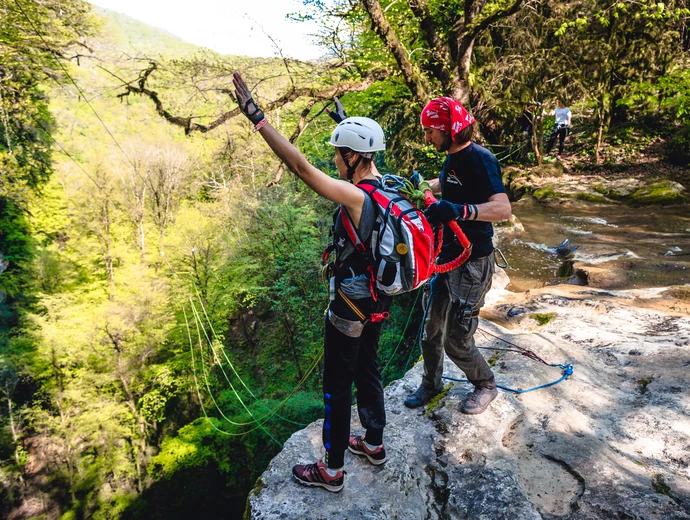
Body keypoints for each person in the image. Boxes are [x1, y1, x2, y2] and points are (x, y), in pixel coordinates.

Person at [233, 73, 391, 493]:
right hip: (378, 300)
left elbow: (300, 166)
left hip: (349, 306)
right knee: (369, 370)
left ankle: (332, 470)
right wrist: (346, 120)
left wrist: (258, 119)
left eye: (339, 156)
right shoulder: (388, 189)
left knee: (337, 387)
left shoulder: (354, 197)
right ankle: (373, 443)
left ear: (352, 158)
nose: (334, 163)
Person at [404, 97, 511, 415]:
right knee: (430, 329)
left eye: (430, 132)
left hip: (472, 263)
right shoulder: (451, 158)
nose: (426, 138)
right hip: (445, 259)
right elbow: (452, 186)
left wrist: (460, 211)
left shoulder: (480, 159)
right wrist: (426, 188)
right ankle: (431, 383)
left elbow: (503, 208)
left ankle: (485, 384)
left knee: (456, 338)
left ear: (448, 129)